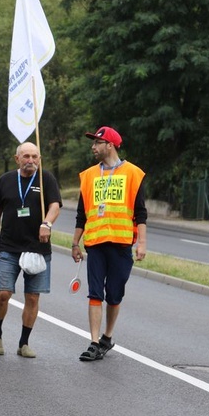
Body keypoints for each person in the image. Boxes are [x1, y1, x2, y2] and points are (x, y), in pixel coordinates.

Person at [71, 126, 147, 361]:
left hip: (121, 244)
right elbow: (81, 215)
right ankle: (94, 342)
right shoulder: (89, 176)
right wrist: (75, 243)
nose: (93, 147)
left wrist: (141, 242)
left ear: (110, 145)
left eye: (97, 143)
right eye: (93, 143)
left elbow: (141, 213)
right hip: (95, 243)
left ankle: (107, 337)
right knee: (95, 293)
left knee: (114, 295)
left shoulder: (133, 174)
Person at [0, 142, 61, 358]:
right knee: (4, 293)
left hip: (37, 248)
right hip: (10, 247)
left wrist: (46, 224)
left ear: (40, 158)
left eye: (35, 156)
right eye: (26, 156)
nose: (31, 160)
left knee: (32, 297)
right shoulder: (6, 180)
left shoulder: (46, 179)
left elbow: (55, 206)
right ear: (17, 158)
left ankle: (24, 343)